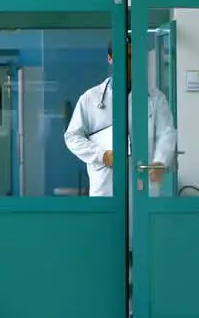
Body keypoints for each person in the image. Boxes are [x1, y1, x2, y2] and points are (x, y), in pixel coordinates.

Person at [64, 35, 177, 197]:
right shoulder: (91, 98)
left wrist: (160, 162)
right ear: (110, 58)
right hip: (105, 187)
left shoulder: (155, 98)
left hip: (142, 188)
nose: (128, 63)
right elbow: (72, 137)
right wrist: (102, 155)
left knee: (141, 221)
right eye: (123, 56)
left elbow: (167, 133)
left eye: (132, 57)